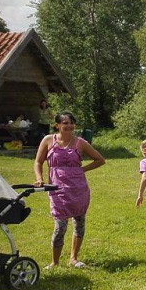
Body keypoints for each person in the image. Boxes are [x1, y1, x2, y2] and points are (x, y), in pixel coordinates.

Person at [33, 111, 105, 269]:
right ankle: (55, 262)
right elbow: (38, 162)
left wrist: (81, 170)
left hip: (78, 189)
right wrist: (39, 178)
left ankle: (73, 258)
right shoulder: (47, 140)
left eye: (71, 123)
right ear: (57, 125)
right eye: (65, 123)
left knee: (79, 223)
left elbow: (100, 160)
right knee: (60, 227)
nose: (69, 126)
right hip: (57, 188)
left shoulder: (80, 142)